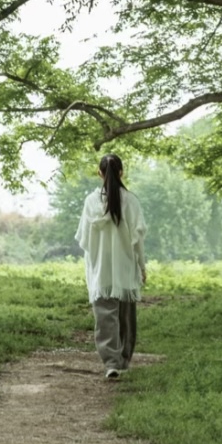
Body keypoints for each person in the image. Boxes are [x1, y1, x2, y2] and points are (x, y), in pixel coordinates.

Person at [75, 153, 147, 380]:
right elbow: (138, 239)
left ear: (100, 173)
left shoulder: (91, 202)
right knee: (126, 318)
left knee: (105, 317)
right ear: (121, 173)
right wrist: (142, 266)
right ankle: (123, 361)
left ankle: (111, 363)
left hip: (101, 269)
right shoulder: (131, 201)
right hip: (125, 267)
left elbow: (85, 240)